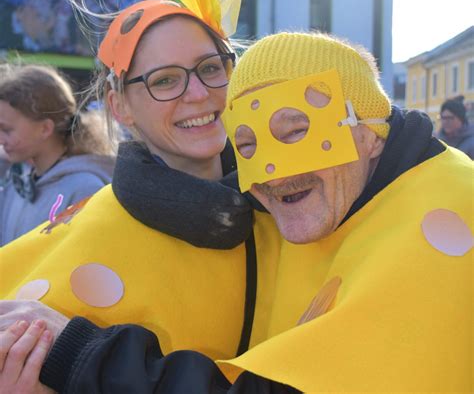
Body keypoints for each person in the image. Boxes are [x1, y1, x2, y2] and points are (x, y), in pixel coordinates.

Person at [2, 31, 471, 393]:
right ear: (120, 106)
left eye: (296, 133)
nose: (273, 172)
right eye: (246, 145)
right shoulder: (340, 206)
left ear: (371, 133)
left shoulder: (445, 208)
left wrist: (79, 355)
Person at [0, 0, 287, 393]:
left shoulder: (293, 203)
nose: (198, 94)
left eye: (210, 67)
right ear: (121, 106)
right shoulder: (91, 234)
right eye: (165, 80)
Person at [0, 63, 115, 246]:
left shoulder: (84, 189)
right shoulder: (16, 189)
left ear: (45, 128)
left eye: (7, 130)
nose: (1, 139)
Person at [436, 95, 474, 159]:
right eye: (443, 118)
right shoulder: (437, 141)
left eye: (449, 118)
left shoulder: (471, 142)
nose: (445, 121)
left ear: (461, 119)